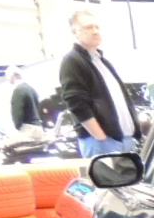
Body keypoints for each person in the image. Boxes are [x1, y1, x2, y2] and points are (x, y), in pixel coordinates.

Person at [59, 10, 141, 158]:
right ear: (75, 32)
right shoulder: (72, 61)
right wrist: (101, 138)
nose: (95, 31)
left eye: (97, 27)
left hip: (125, 141)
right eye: (89, 27)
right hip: (103, 143)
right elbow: (76, 103)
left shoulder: (103, 62)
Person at [7, 66, 42, 132]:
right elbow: (38, 105)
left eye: (8, 78)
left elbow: (17, 112)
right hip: (38, 127)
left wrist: (17, 125)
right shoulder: (31, 89)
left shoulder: (18, 90)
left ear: (13, 77)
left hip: (28, 128)